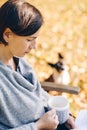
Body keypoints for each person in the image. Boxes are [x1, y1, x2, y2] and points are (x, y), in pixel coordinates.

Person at [0, 0, 76, 130]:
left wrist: (64, 115)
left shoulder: (18, 59)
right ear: (7, 34)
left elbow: (38, 94)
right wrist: (37, 126)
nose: (34, 46)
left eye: (35, 39)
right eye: (29, 40)